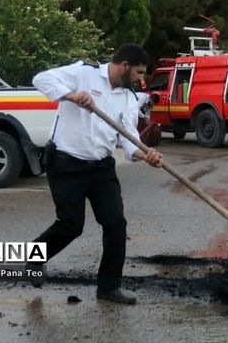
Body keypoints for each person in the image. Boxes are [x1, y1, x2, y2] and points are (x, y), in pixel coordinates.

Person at [27, 43, 163, 305]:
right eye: (138, 72)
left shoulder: (129, 97)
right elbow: (41, 79)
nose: (140, 78)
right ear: (124, 66)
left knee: (116, 224)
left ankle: (109, 287)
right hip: (67, 163)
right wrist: (71, 95)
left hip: (101, 168)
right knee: (70, 225)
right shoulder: (83, 73)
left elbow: (128, 137)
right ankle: (35, 258)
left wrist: (145, 154)